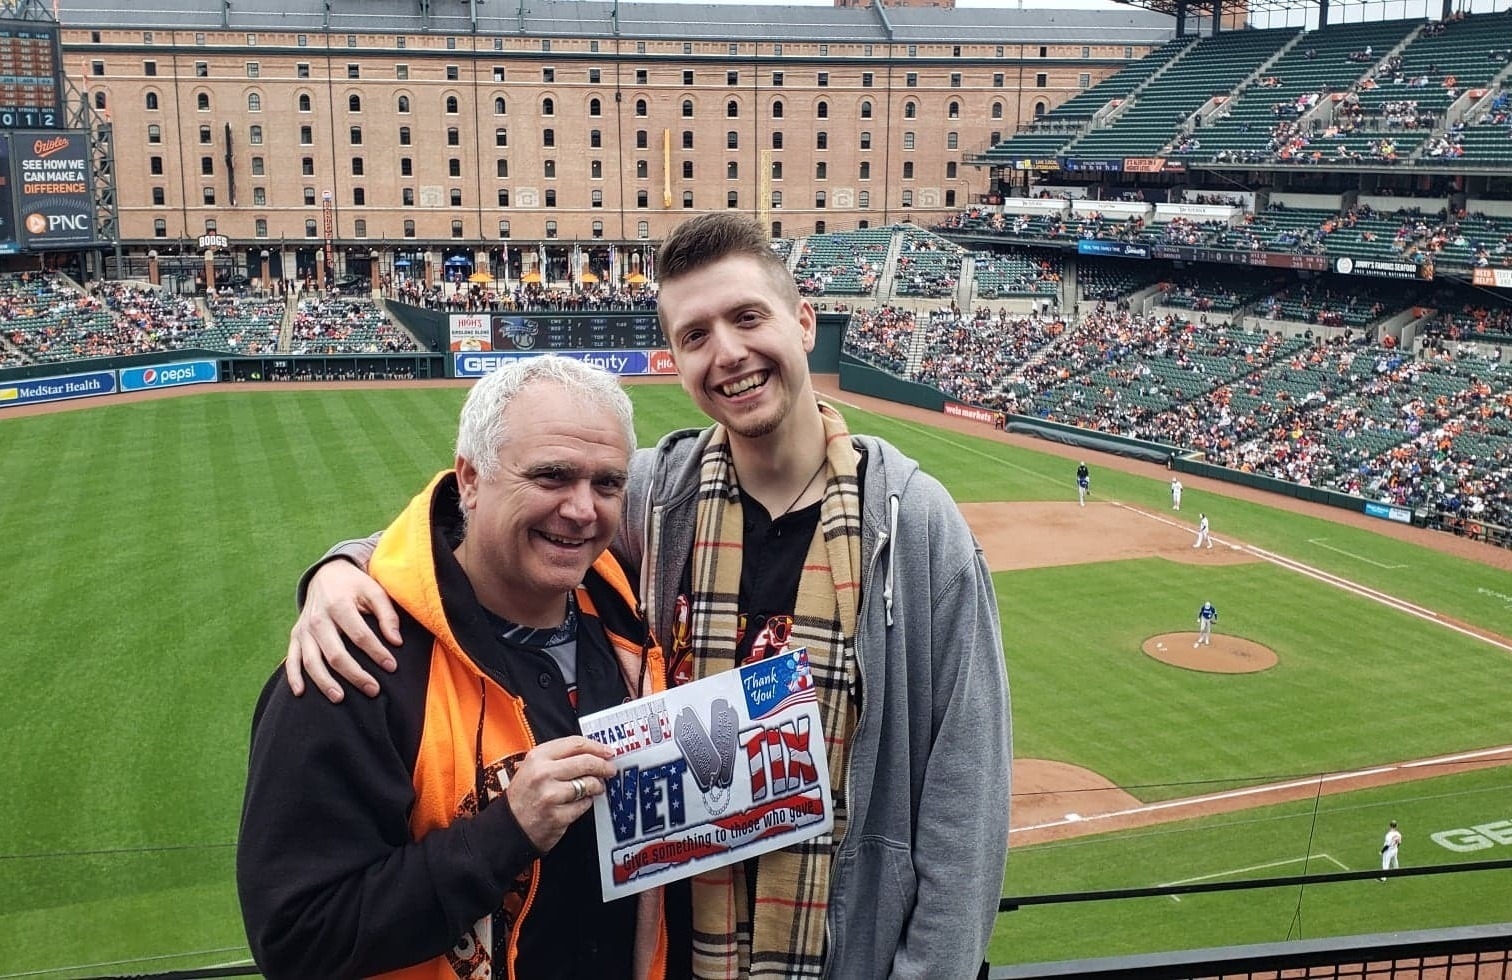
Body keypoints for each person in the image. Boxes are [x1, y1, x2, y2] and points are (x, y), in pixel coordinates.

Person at [285, 213, 1012, 979]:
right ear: (677, 358)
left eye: (747, 317)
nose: (727, 353)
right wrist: (346, 567)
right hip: (685, 948)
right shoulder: (656, 494)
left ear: (803, 323)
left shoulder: (912, 523)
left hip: (843, 950)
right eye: (695, 335)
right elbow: (491, 512)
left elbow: (966, 800)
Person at [238, 357, 668, 980]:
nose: (583, 510)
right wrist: (505, 832)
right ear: (469, 479)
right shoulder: (352, 663)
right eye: (551, 476)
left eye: (607, 484)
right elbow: (298, 939)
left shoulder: (620, 602)